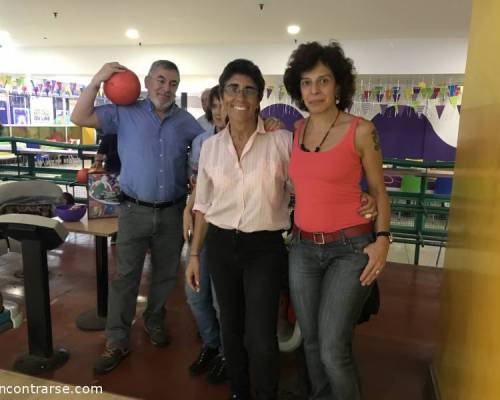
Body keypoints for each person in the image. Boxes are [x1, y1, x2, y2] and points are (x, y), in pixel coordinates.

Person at [71, 60, 204, 374]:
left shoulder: (186, 122)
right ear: (147, 81)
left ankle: (154, 321)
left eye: (172, 83)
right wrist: (98, 78)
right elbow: (79, 116)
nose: (165, 88)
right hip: (133, 210)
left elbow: (208, 150)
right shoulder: (124, 112)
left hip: (173, 211)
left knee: (165, 276)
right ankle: (117, 340)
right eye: (160, 80)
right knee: (125, 278)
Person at [283, 41, 391, 400]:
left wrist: (383, 240)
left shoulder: (361, 130)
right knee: (310, 342)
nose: (315, 90)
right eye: (307, 82)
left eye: (323, 81)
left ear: (338, 86)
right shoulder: (296, 131)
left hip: (351, 249)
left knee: (332, 348)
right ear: (298, 89)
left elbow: (378, 190)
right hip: (302, 247)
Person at [186, 59, 292, 400]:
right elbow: (202, 204)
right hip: (219, 244)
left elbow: (308, 187)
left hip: (264, 247)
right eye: (233, 88)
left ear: (259, 96)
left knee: (260, 334)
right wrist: (194, 254)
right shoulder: (210, 148)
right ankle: (239, 392)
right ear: (222, 94)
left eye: (249, 89)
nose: (240, 96)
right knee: (230, 329)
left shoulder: (281, 141)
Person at [184, 85, 227, 384]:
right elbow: (196, 183)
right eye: (217, 105)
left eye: (226, 103)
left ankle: (227, 351)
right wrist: (186, 209)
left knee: (219, 300)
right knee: (194, 294)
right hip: (200, 225)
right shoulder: (204, 142)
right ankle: (211, 344)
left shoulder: (253, 140)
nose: (222, 110)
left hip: (227, 231)